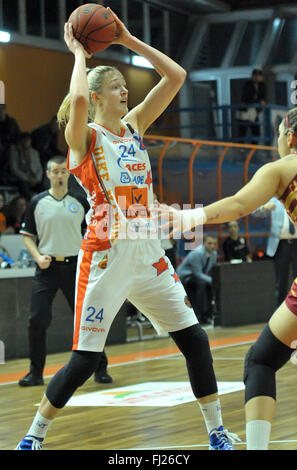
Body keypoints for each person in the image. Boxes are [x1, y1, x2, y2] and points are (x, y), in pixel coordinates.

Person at [15, 11, 239, 451]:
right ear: (98, 96)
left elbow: (175, 75)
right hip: (105, 255)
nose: (124, 91)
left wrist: (130, 39)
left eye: (124, 86)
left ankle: (215, 432)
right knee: (84, 360)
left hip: (148, 252)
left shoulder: (134, 128)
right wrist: (79, 54)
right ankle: (34, 434)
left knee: (194, 339)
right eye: (116, 87)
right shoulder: (85, 139)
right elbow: (76, 104)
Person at [152, 106, 297, 450]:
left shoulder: (281, 168)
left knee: (261, 359)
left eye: (278, 133)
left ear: (289, 137)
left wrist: (187, 218)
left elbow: (237, 205)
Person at [18, 156, 112, 387]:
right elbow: (27, 236)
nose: (59, 175)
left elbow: (95, 233)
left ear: (68, 174)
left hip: (76, 268)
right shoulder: (37, 202)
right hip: (47, 269)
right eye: (55, 172)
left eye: (63, 171)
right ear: (48, 174)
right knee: (37, 319)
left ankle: (100, 368)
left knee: (86, 319)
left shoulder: (81, 201)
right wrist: (38, 257)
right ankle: (35, 373)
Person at [252, 197, 297, 307]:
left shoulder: (296, 199)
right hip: (281, 245)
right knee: (281, 281)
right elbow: (255, 213)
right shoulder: (274, 200)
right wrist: (264, 207)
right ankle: (280, 316)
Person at [177, 235, 218, 324]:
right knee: (201, 285)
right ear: (204, 243)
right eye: (210, 243)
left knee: (209, 286)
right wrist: (212, 280)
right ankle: (198, 315)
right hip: (185, 277)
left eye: (214, 244)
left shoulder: (214, 254)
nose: (212, 246)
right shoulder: (197, 254)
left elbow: (210, 270)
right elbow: (197, 273)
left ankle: (208, 314)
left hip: (197, 276)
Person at [9, 132, 44, 199]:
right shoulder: (15, 152)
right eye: (25, 140)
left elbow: (39, 168)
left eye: (28, 140)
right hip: (22, 179)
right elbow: (14, 169)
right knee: (24, 189)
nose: (27, 142)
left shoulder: (34, 152)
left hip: (34, 179)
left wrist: (36, 179)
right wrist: (27, 179)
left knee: (43, 189)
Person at [238, 68, 267, 144]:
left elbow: (263, 96)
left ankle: (254, 148)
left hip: (254, 111)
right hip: (245, 110)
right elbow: (247, 97)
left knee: (256, 130)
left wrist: (261, 101)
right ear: (252, 76)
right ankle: (240, 148)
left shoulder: (262, 85)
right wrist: (258, 101)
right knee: (242, 130)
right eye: (255, 76)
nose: (257, 77)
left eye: (258, 76)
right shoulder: (247, 84)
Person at [0, 103, 21, 183]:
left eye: (1, 109)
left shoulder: (12, 122)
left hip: (11, 147)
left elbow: (19, 136)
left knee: (10, 151)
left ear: (5, 110)